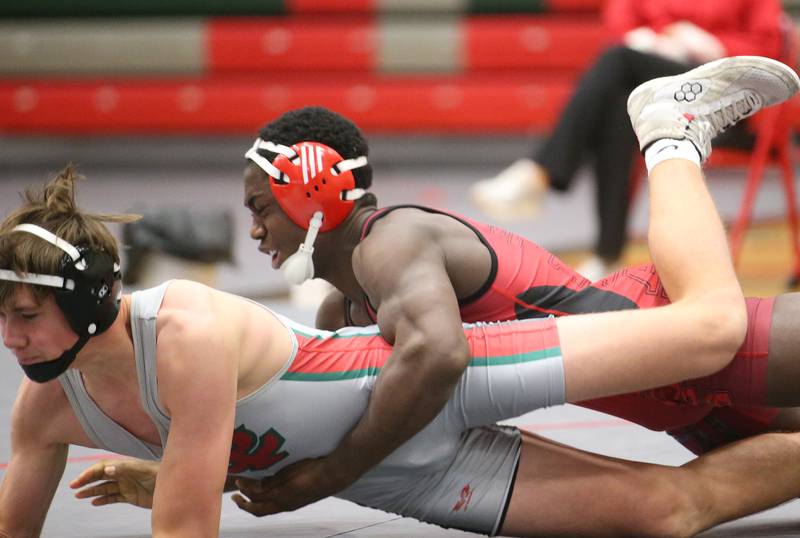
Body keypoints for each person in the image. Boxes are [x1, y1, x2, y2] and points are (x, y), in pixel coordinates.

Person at [3, 57, 800, 536]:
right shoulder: (341, 312)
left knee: (713, 327)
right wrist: (204, 472)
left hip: (644, 333)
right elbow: (309, 423)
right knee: (670, 509)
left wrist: (315, 484)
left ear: (312, 187)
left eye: (258, 204)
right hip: (651, 394)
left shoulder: (395, 240)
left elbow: (439, 358)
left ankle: (667, 135)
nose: (250, 227)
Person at [470, 0, 784, 280]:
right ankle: (606, 252)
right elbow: (618, 25)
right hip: (652, 84)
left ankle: (541, 174)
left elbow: (769, 52)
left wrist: (709, 44)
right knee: (621, 106)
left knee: (618, 62)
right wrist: (653, 40)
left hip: (724, 103)